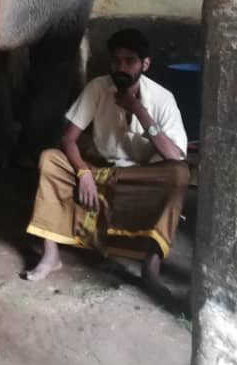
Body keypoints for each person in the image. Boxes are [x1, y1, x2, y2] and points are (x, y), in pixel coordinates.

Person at [24, 28, 189, 286]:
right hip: (98, 168)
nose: (121, 67)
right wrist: (82, 171)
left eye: (130, 61)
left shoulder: (162, 98)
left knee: (179, 175)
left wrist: (138, 110)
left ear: (145, 64)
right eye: (116, 61)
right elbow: (68, 138)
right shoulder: (98, 87)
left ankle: (151, 266)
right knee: (50, 159)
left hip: (137, 177)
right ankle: (50, 255)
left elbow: (173, 155)